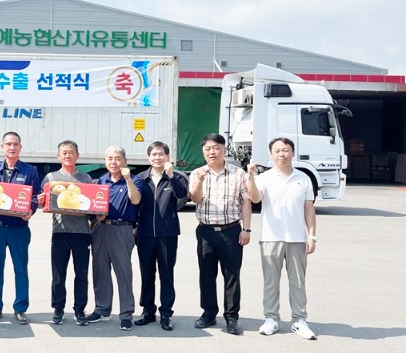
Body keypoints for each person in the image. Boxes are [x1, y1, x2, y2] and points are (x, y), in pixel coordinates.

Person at [246, 137, 318, 340]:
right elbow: (255, 198)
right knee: (271, 282)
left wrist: (312, 235)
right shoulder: (265, 177)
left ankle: (299, 320)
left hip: (297, 238)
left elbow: (309, 209)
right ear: (271, 154)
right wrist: (250, 176)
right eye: (277, 151)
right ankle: (271, 318)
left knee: (298, 282)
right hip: (271, 237)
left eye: (285, 150)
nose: (281, 154)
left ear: (292, 152)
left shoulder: (303, 178)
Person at [188, 133, 251, 335]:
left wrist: (246, 229)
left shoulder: (238, 173)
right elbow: (195, 198)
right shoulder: (197, 173)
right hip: (205, 232)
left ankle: (231, 317)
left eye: (216, 148)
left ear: (224, 150)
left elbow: (246, 201)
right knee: (206, 274)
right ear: (203, 152)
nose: (212, 152)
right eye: (207, 149)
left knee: (232, 275)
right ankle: (208, 313)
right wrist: (199, 180)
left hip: (231, 231)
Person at [0, 132, 41, 325]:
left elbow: (35, 196)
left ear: (20, 147)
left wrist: (30, 210)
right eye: (8, 144)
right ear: (2, 147)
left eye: (15, 144)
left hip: (19, 228)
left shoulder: (30, 171)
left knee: (20, 269)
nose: (12, 147)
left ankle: (20, 308)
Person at [36, 140, 92, 326]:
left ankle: (80, 309)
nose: (68, 155)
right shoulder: (51, 178)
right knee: (58, 274)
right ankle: (58, 308)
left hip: (82, 233)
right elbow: (42, 203)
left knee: (81, 274)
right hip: (60, 232)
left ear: (78, 155)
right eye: (64, 153)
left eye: (71, 152)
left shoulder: (85, 178)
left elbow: (93, 205)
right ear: (58, 156)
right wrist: (41, 201)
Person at [133, 141, 189, 331]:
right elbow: (134, 204)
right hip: (145, 234)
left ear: (167, 157)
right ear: (149, 157)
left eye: (161, 154)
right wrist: (134, 228)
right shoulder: (140, 178)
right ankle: (148, 310)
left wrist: (171, 176)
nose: (157, 158)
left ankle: (166, 314)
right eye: (154, 154)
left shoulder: (176, 177)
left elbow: (182, 194)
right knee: (146, 274)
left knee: (166, 274)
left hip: (167, 234)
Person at [87, 145, 143, 331]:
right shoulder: (101, 182)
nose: (114, 162)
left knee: (123, 272)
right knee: (100, 270)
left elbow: (135, 200)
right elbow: (93, 205)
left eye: (118, 158)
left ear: (125, 161)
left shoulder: (134, 180)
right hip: (101, 229)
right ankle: (102, 309)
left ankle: (126, 314)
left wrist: (128, 179)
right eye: (110, 158)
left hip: (122, 229)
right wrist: (96, 216)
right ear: (105, 161)